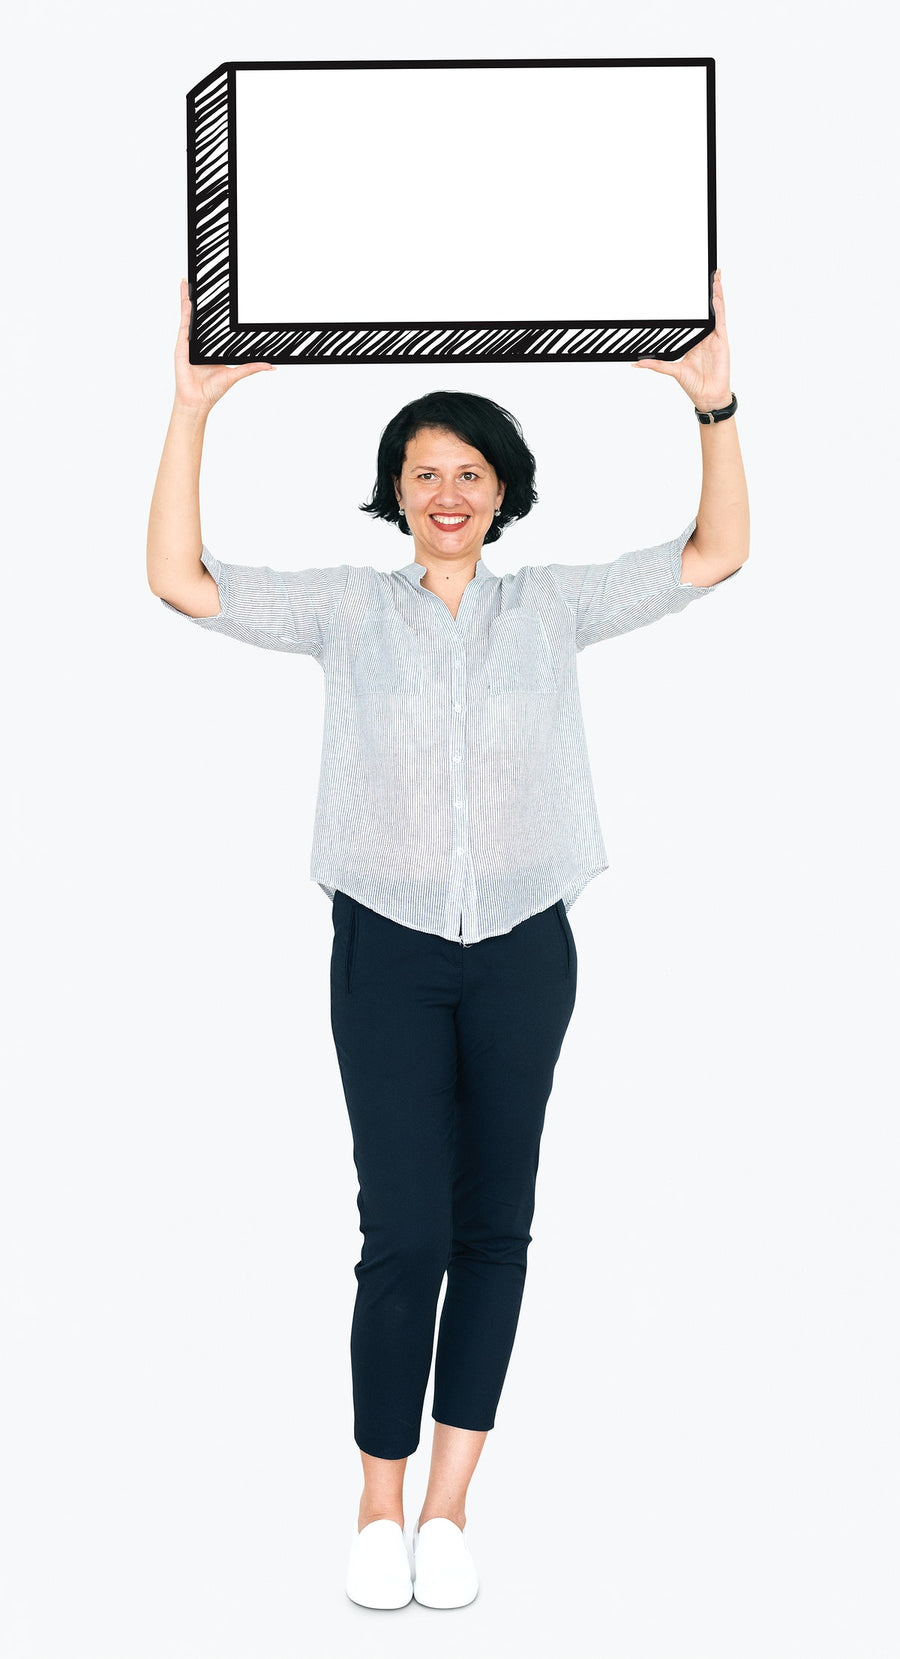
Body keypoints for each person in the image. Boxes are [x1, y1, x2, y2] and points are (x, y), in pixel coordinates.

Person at [147, 272, 750, 1612]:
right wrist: (191, 408)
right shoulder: (346, 612)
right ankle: (376, 1499)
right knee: (402, 1230)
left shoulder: (555, 606)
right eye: (422, 471)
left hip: (527, 951)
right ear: (395, 491)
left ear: (504, 486)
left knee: (498, 1227)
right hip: (390, 953)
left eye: (469, 469)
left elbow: (716, 556)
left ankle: (451, 1506)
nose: (447, 491)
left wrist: (715, 409)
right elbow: (177, 580)